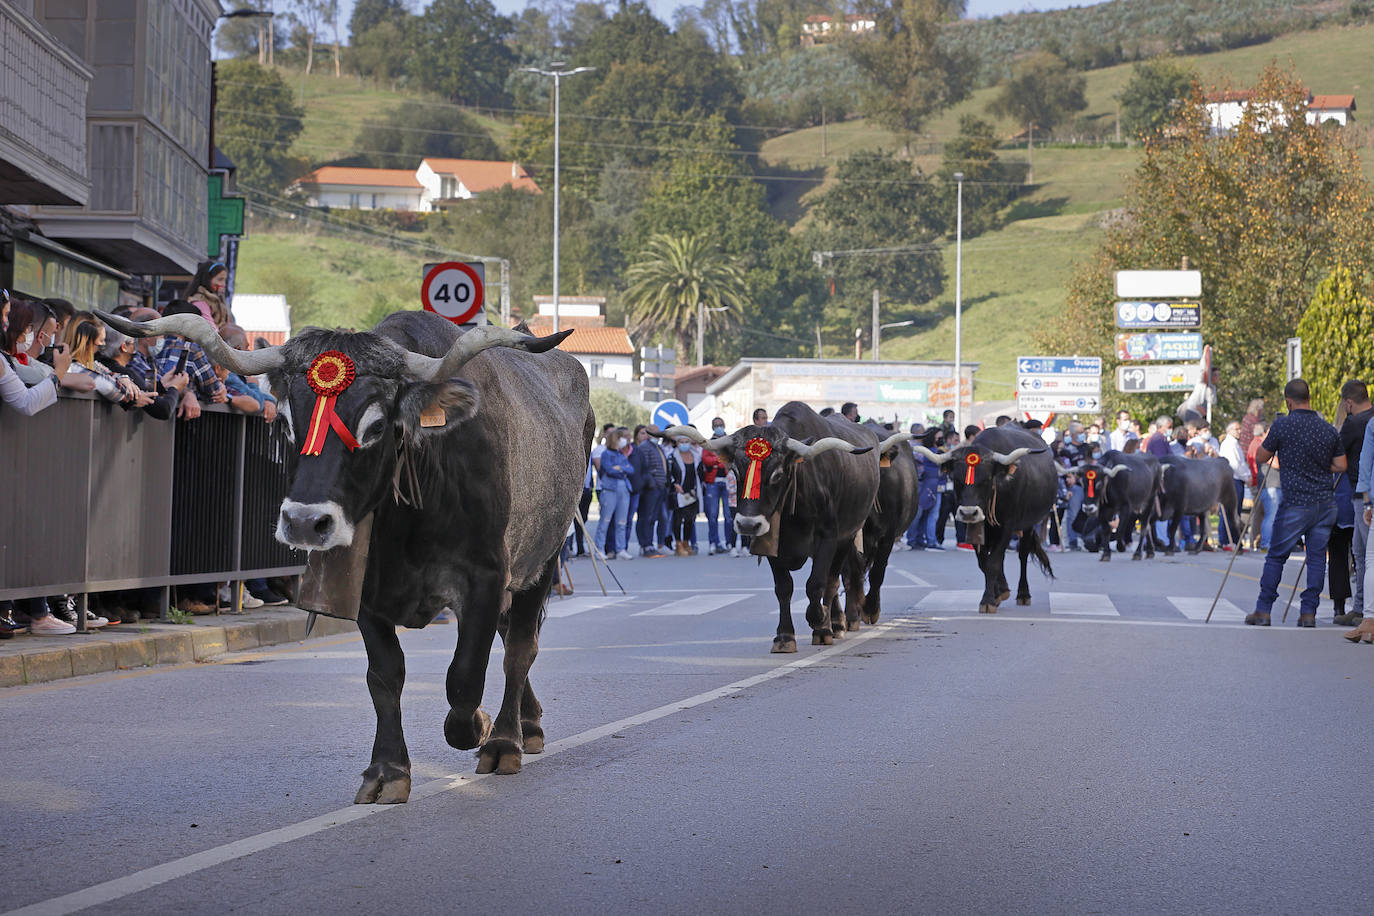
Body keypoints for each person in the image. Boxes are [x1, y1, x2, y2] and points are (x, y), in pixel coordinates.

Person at [1246, 379, 1344, 628]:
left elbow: (1261, 456)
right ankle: (1308, 613)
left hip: (1296, 503)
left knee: (1276, 557)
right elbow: (1342, 465)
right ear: (1308, 398)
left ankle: (1264, 609)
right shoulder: (1327, 428)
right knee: (1316, 558)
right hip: (1324, 503)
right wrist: (1320, 467)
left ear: (1289, 401)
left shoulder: (1282, 425)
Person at [1338, 381, 1373, 624]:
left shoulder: (1353, 423)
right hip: (1365, 494)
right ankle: (1361, 608)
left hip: (1363, 496)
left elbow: (1338, 452)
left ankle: (1363, 609)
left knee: (1363, 555)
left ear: (1349, 403)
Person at [593, 429, 634, 560]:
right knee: (605, 521)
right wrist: (622, 469)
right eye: (620, 438)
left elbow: (631, 469)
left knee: (622, 522)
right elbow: (609, 470)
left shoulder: (621, 455)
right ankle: (599, 549)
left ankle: (621, 549)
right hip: (610, 490)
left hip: (624, 490)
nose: (624, 440)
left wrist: (620, 468)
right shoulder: (606, 454)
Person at [630, 426, 669, 557]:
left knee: (652, 518)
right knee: (646, 517)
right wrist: (652, 482)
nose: (657, 435)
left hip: (660, 488)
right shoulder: (644, 447)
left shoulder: (658, 447)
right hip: (650, 489)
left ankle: (649, 544)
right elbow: (644, 468)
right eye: (654, 433)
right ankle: (645, 545)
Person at [668, 434, 703, 555]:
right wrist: (674, 484)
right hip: (678, 492)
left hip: (693, 492)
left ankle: (686, 542)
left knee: (690, 519)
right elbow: (669, 474)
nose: (684, 444)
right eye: (681, 442)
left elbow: (700, 473)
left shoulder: (696, 456)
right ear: (677, 443)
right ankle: (678, 544)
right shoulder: (672, 457)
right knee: (678, 519)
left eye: (686, 441)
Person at [1217, 421, 1249, 550]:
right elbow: (1235, 465)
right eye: (1237, 429)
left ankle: (1236, 541)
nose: (1239, 431)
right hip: (1233, 480)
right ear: (1229, 430)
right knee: (1230, 511)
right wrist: (1246, 476)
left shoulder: (1235, 444)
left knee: (1236, 512)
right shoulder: (1229, 444)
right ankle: (1226, 541)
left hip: (1238, 480)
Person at [701, 417, 729, 554]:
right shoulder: (708, 442)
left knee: (729, 516)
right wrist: (720, 459)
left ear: (724, 425)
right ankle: (713, 542)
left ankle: (730, 543)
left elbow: (732, 459)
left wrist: (719, 461)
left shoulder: (730, 441)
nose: (719, 427)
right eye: (716, 425)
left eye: (721, 424)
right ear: (712, 428)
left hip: (728, 482)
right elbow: (705, 459)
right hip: (712, 482)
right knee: (712, 515)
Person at [186, 259, 234, 329]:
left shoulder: (219, 298)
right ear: (207, 279)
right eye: (220, 279)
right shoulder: (199, 301)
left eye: (225, 280)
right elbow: (210, 328)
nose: (223, 284)